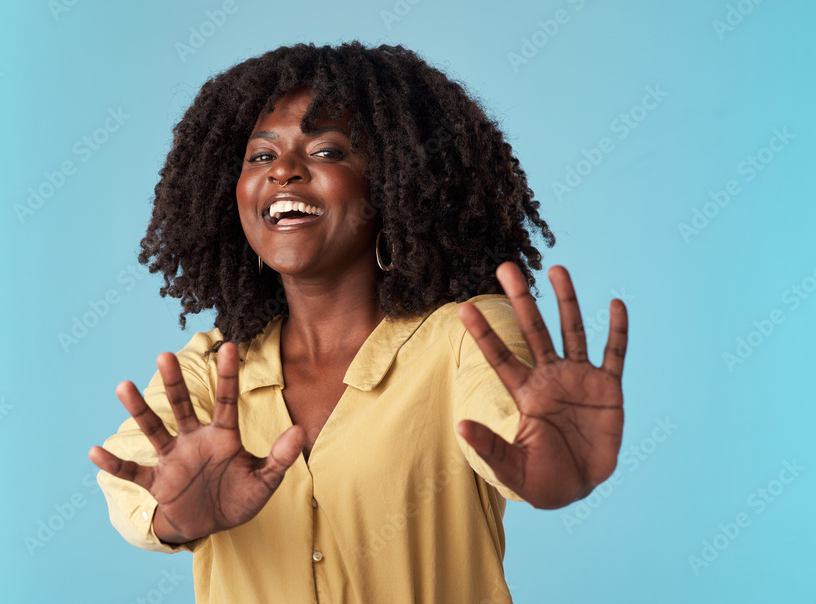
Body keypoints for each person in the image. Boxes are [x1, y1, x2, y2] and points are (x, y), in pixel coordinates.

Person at [89, 41, 628, 604]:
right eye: (260, 156)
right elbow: (134, 484)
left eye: (327, 151)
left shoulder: (468, 336)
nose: (284, 173)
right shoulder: (210, 367)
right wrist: (174, 517)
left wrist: (555, 466)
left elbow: (519, 434)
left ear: (394, 184)